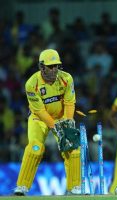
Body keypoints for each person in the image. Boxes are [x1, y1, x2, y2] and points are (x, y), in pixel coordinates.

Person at [14, 49, 81, 195]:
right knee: (35, 148)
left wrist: (68, 121)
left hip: (61, 118)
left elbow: (70, 102)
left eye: (56, 66)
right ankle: (22, 187)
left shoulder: (66, 78)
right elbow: (40, 111)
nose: (54, 70)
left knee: (73, 148)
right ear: (41, 66)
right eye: (50, 67)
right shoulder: (31, 84)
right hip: (39, 119)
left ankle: (74, 188)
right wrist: (55, 126)